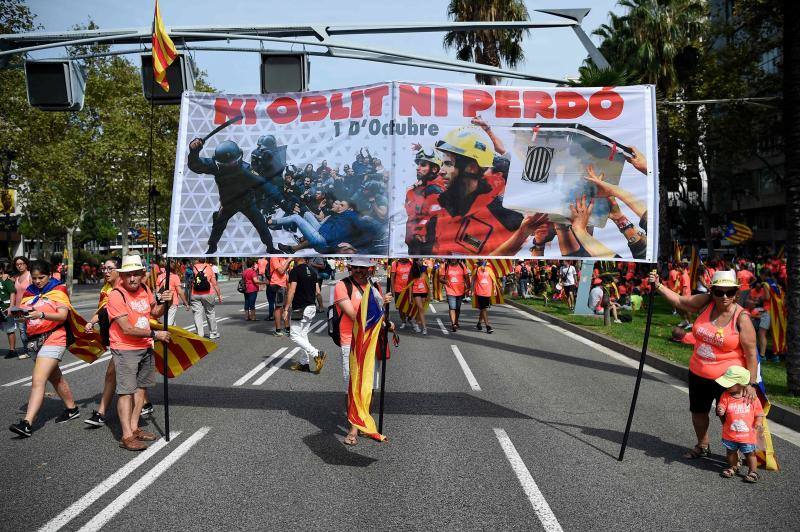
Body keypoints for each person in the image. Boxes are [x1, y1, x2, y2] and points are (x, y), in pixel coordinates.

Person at [651, 270, 759, 460]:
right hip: (698, 373)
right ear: (712, 291)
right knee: (698, 412)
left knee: (730, 417)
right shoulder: (706, 302)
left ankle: (735, 456)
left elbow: (751, 354)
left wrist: (751, 384)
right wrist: (658, 285)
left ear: (736, 293)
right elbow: (680, 301)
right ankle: (702, 445)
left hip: (730, 379)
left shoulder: (741, 318)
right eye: (719, 292)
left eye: (730, 292)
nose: (724, 296)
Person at [106, 254, 172, 451]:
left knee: (142, 388)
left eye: (136, 274)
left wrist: (166, 302)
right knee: (126, 391)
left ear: (142, 275)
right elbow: (126, 328)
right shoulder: (116, 295)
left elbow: (155, 312)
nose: (132, 278)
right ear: (122, 276)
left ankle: (134, 427)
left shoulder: (145, 289)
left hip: (145, 346)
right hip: (125, 348)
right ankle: (126, 436)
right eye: (128, 275)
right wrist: (156, 334)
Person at [9, 261, 80, 437]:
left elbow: (62, 316)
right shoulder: (30, 291)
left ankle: (27, 423)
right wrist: (18, 315)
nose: (37, 281)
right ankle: (72, 409)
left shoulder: (58, 289)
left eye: (41, 277)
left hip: (55, 336)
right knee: (56, 378)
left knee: (38, 379)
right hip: (35, 340)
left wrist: (41, 314)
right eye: (34, 278)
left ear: (49, 275)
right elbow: (26, 317)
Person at [333, 257, 393, 445]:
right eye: (356, 267)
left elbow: (378, 316)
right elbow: (354, 316)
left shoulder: (375, 286)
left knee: (369, 384)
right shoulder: (342, 286)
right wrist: (379, 303)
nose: (359, 270)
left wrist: (387, 322)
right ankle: (353, 428)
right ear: (350, 267)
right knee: (353, 385)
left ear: (370, 269)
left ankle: (364, 423)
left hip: (372, 342)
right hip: (351, 342)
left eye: (363, 267)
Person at [187, 137, 283, 254]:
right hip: (228, 204)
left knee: (260, 224)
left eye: (232, 163)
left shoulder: (245, 170)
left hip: (246, 203)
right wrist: (194, 151)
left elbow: (265, 186)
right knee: (218, 225)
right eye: (225, 164)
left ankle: (270, 247)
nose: (229, 167)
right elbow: (195, 165)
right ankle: (212, 246)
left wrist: (282, 201)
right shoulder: (217, 166)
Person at [715, 366, 764, 483]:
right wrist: (720, 409)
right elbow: (722, 405)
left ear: (741, 384)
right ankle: (733, 466)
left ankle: (753, 471)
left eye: (729, 383)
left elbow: (759, 413)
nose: (726, 386)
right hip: (730, 434)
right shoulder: (725, 395)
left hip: (747, 435)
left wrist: (758, 422)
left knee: (750, 454)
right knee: (730, 453)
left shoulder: (752, 398)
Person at [285, 258, 327, 373]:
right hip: (311, 307)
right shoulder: (313, 271)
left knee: (294, 335)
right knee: (303, 335)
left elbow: (292, 290)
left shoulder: (295, 271)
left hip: (300, 308)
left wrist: (286, 308)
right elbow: (318, 292)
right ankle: (304, 363)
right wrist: (321, 305)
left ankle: (317, 353)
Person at [190, 258, 221, 339]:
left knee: (197, 314)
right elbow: (214, 283)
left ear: (198, 260)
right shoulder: (209, 267)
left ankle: (200, 334)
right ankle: (213, 333)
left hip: (195, 293)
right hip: (208, 293)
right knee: (210, 313)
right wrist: (219, 295)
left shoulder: (194, 267)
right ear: (205, 260)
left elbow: (189, 281)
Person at [157, 259, 189, 326]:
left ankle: (173, 332)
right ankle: (166, 331)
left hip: (162, 301)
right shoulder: (175, 277)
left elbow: (158, 292)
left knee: (172, 321)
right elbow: (180, 292)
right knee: (168, 324)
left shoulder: (160, 276)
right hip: (172, 302)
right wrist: (186, 303)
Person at [442, 259, 469, 332]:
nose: (453, 259)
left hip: (460, 291)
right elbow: (440, 278)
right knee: (452, 307)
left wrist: (468, 288)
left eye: (454, 258)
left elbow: (467, 277)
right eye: (452, 258)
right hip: (450, 290)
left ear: (457, 258)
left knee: (458, 308)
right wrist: (445, 281)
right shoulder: (446, 266)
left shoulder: (462, 265)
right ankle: (453, 324)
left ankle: (456, 321)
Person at [13, 256, 31, 359]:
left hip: (29, 308)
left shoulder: (30, 275)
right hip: (18, 309)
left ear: (26, 264)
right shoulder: (16, 277)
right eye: (17, 264)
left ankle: (35, 349)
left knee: (31, 329)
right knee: (22, 331)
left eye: (21, 264)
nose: (19, 266)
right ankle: (27, 351)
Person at [268, 257, 290, 336]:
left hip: (284, 285)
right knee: (279, 307)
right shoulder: (274, 257)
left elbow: (286, 273)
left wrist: (289, 286)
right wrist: (288, 260)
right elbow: (281, 271)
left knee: (286, 307)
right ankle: (278, 330)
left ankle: (287, 328)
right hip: (277, 284)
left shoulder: (284, 258)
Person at [472, 261, 495, 334]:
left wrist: (494, 289)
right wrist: (471, 290)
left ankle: (479, 323)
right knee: (483, 308)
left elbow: (493, 279)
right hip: (479, 291)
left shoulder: (489, 268)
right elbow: (473, 280)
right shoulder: (476, 268)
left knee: (483, 308)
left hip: (487, 292)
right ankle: (488, 326)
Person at [390, 258, 413, 328]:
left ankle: (409, 318)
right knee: (400, 307)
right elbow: (392, 277)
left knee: (410, 305)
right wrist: (392, 289)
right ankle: (403, 321)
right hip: (398, 289)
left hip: (409, 289)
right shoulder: (395, 263)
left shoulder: (411, 263)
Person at [1, 263, 18, 358]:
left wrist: (11, 307)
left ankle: (12, 350)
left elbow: (12, 292)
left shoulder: (6, 280)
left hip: (5, 308)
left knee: (9, 330)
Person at [409, 260, 429, 335]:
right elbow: (410, 284)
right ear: (416, 261)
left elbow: (427, 281)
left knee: (421, 309)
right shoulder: (412, 270)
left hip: (424, 291)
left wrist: (428, 294)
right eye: (420, 260)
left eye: (422, 260)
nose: (421, 261)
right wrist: (410, 297)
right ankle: (424, 327)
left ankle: (416, 323)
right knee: (420, 308)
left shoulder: (425, 268)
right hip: (416, 291)